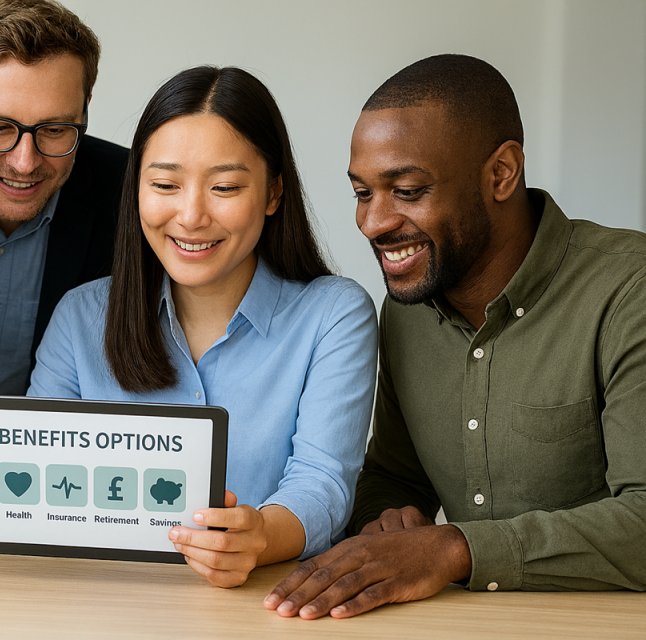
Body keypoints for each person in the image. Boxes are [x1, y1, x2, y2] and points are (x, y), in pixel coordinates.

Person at [266, 53, 646, 618]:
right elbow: (395, 474)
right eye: (362, 193)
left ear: (501, 173)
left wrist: (453, 549)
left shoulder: (628, 290)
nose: (372, 223)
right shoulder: (407, 307)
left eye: (409, 190)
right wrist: (388, 518)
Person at [28, 66, 378, 587]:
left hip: (265, 605)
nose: (191, 216)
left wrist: (258, 538)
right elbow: (36, 481)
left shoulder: (334, 315)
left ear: (273, 194)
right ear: (137, 191)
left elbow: (321, 483)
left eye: (225, 186)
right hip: (101, 601)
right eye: (165, 184)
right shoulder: (80, 318)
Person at [0, 0, 128, 522]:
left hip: (52, 510)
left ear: (85, 109)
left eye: (55, 130)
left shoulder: (133, 194)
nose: (25, 161)